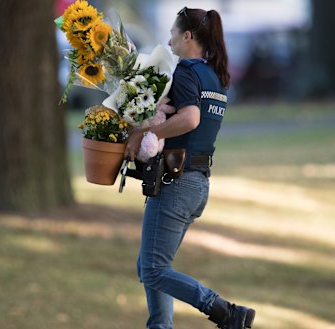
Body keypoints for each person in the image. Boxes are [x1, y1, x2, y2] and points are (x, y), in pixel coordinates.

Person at [124, 7, 256, 329]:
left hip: (177, 182)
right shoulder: (216, 75)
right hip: (198, 184)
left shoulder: (186, 71)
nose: (168, 42)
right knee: (153, 265)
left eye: (172, 34)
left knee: (153, 269)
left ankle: (224, 311)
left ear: (187, 36)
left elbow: (191, 119)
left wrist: (145, 132)